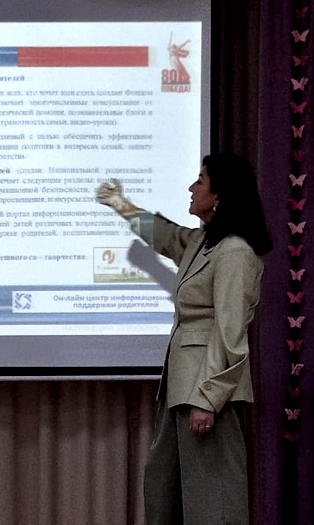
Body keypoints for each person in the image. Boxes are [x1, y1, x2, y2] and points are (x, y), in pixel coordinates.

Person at [96, 153, 272, 525]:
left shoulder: (235, 252)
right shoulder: (204, 242)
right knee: (166, 496)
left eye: (200, 181)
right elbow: (165, 235)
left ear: (220, 195)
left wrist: (207, 398)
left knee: (213, 503)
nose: (192, 188)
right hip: (181, 389)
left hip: (207, 395)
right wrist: (121, 205)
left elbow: (229, 332)